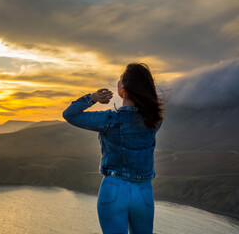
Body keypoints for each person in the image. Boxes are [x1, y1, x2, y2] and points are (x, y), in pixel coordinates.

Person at [62, 63, 165, 234]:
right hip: (144, 191)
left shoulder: (110, 119)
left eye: (120, 81)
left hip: (114, 188)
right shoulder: (154, 121)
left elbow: (70, 114)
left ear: (123, 88)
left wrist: (93, 97)